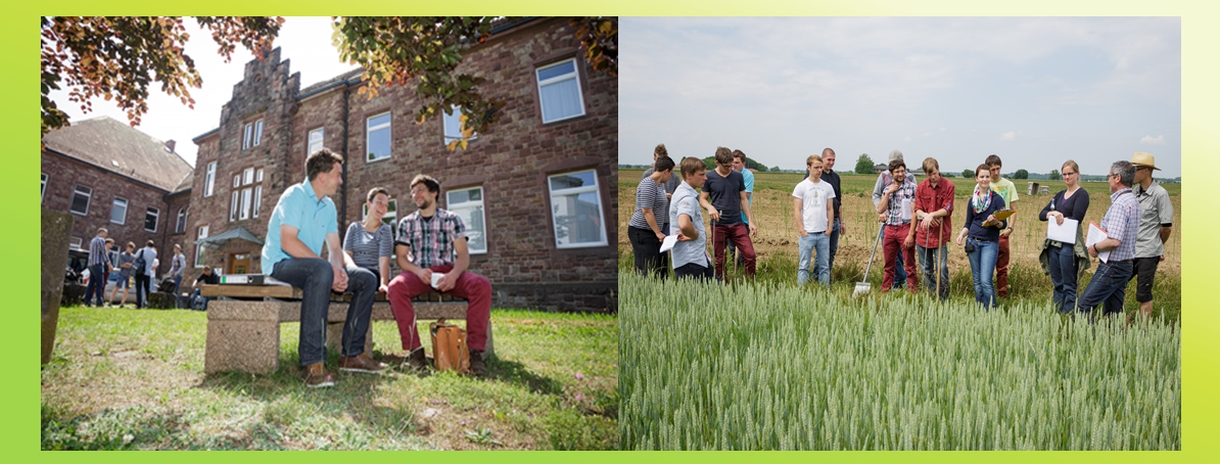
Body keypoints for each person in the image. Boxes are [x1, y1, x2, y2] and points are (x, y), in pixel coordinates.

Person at [262, 148, 386, 388]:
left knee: (366, 279)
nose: (341, 180)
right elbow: (288, 242)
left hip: (310, 265)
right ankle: (312, 363)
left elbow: (335, 248)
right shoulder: (294, 195)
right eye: (338, 175)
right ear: (322, 177)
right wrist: (327, 269)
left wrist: (339, 271)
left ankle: (351, 354)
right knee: (322, 270)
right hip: (280, 263)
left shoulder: (328, 206)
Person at [388, 174, 493, 377]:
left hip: (447, 271)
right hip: (419, 273)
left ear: (433, 193)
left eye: (420, 190)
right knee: (396, 286)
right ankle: (415, 353)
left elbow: (463, 255)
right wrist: (418, 271)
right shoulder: (406, 223)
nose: (415, 194)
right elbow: (401, 258)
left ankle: (474, 352)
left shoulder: (452, 219)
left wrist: (454, 275)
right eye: (413, 191)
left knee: (482, 285)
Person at [1078, 161, 1141, 318]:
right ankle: (1112, 340)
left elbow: (1114, 241)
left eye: (1109, 176)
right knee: (1113, 312)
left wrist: (1095, 247)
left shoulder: (1120, 204)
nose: (1108, 180)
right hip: (1126, 264)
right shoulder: (1133, 200)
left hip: (1114, 266)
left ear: (1117, 178)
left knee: (1084, 306)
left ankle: (1089, 341)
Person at [1038, 160, 1091, 314]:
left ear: (1077, 174)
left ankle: (1068, 315)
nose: (1067, 177)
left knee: (1069, 284)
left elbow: (1077, 218)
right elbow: (1042, 214)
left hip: (1069, 245)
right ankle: (1057, 313)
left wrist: (1059, 216)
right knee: (1057, 283)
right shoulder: (1060, 195)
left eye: (1070, 174)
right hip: (1054, 243)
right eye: (1065, 174)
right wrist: (1052, 213)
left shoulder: (1081, 195)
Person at [1127, 152, 1173, 322]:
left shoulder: (1160, 194)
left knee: (1143, 293)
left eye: (1134, 169)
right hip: (1130, 251)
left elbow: (1166, 228)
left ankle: (1143, 332)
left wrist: (1157, 246)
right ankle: (1115, 322)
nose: (1131, 173)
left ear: (1146, 171)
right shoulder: (1134, 192)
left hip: (1148, 252)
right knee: (1117, 285)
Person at [700, 146, 757, 280]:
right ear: (717, 162)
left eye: (731, 165)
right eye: (726, 166)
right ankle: (721, 285)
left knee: (750, 255)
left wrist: (750, 221)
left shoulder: (738, 176)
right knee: (720, 260)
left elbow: (743, 199)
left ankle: (749, 284)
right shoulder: (709, 177)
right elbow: (702, 199)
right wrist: (710, 207)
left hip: (737, 223)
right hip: (718, 224)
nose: (730, 168)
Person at [956, 164, 1008, 309]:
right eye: (982, 177)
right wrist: (961, 235)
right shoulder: (972, 201)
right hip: (973, 241)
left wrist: (995, 221)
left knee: (986, 281)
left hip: (989, 243)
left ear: (990, 178)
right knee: (977, 280)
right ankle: (980, 310)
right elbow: (968, 223)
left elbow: (1003, 225)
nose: (985, 179)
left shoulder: (997, 199)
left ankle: (992, 311)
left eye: (987, 176)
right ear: (976, 179)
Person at [872, 150, 915, 289]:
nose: (900, 174)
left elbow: (916, 209)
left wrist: (912, 232)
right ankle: (888, 289)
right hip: (889, 226)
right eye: (897, 171)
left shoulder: (912, 183)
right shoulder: (884, 179)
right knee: (889, 262)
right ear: (891, 172)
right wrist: (888, 194)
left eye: (902, 170)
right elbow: (878, 200)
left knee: (908, 261)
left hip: (905, 226)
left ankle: (911, 291)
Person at [913, 157, 955, 300]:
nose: (933, 177)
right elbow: (917, 209)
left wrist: (932, 215)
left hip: (940, 235)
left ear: (939, 169)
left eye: (935, 173)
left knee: (942, 268)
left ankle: (944, 297)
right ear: (926, 174)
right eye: (930, 175)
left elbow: (947, 208)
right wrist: (926, 216)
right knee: (926, 270)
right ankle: (933, 295)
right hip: (923, 234)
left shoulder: (949, 186)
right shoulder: (921, 188)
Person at [792, 154, 835, 287]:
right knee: (804, 265)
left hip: (823, 233)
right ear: (808, 167)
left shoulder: (828, 187)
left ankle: (824, 292)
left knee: (824, 266)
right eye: (816, 167)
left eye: (821, 167)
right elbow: (797, 210)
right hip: (807, 233)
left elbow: (830, 209)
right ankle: (802, 292)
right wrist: (801, 229)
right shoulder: (801, 187)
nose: (819, 170)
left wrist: (829, 228)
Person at [628, 155, 674, 279]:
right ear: (666, 171)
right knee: (648, 269)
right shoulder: (648, 184)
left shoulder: (659, 185)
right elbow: (647, 210)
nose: (670, 176)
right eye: (671, 173)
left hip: (653, 232)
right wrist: (658, 233)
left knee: (661, 267)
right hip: (642, 231)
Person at [669, 157, 714, 280]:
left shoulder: (680, 191)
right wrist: (695, 236)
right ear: (688, 175)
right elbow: (683, 224)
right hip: (690, 261)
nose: (705, 178)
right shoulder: (687, 197)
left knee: (717, 293)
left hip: (695, 258)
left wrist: (702, 249)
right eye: (701, 174)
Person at [344, 187, 395, 294]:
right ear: (368, 204)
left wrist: (384, 284)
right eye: (379, 202)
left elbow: (384, 260)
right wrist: (354, 269)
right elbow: (346, 254)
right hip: (354, 271)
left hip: (373, 274)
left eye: (386, 205)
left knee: (367, 279)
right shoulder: (354, 227)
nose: (383, 207)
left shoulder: (385, 229)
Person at [984, 154, 1019, 298]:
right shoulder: (984, 184)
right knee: (986, 267)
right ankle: (987, 295)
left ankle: (1003, 295)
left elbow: (1013, 209)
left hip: (1002, 232)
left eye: (998, 169)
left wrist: (1010, 228)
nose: (996, 172)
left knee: (1002, 267)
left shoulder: (1009, 185)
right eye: (992, 169)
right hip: (986, 233)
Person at [641, 144, 681, 271]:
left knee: (666, 250)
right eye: (659, 159)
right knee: (653, 252)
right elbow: (645, 202)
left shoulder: (674, 177)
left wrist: (671, 197)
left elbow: (679, 195)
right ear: (654, 159)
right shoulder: (647, 175)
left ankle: (665, 272)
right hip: (654, 219)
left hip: (667, 218)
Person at [725, 149, 754, 269]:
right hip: (729, 217)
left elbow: (745, 196)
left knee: (742, 248)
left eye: (737, 162)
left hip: (742, 217)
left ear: (743, 163)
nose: (734, 165)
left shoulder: (747, 175)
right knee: (731, 247)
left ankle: (743, 269)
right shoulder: (728, 174)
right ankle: (734, 267)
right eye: (732, 162)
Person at [820, 148, 845, 272]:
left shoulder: (836, 177)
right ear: (822, 158)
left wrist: (842, 222)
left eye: (833, 160)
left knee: (832, 251)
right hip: (822, 220)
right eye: (829, 159)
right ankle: (817, 277)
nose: (831, 162)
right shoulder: (816, 175)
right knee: (822, 252)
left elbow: (839, 201)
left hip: (835, 220)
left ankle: (826, 276)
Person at [84, 227, 113, 307]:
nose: (106, 235)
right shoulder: (101, 240)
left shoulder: (93, 240)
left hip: (91, 264)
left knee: (91, 283)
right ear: (101, 232)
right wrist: (109, 264)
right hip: (98, 263)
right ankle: (99, 301)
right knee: (100, 283)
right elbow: (104, 253)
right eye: (105, 233)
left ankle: (87, 300)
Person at [108, 242, 136, 307]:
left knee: (127, 288)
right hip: (122, 273)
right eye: (129, 248)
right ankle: (110, 301)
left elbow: (133, 265)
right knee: (118, 287)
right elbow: (121, 265)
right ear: (126, 248)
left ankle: (122, 303)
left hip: (130, 275)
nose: (130, 250)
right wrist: (128, 265)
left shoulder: (133, 256)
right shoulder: (122, 255)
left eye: (132, 249)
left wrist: (128, 264)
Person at [134, 240, 157, 309]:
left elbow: (135, 258)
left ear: (146, 244)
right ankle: (148, 302)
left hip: (140, 271)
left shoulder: (141, 250)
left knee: (139, 288)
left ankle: (139, 304)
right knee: (147, 288)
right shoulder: (154, 253)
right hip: (148, 272)